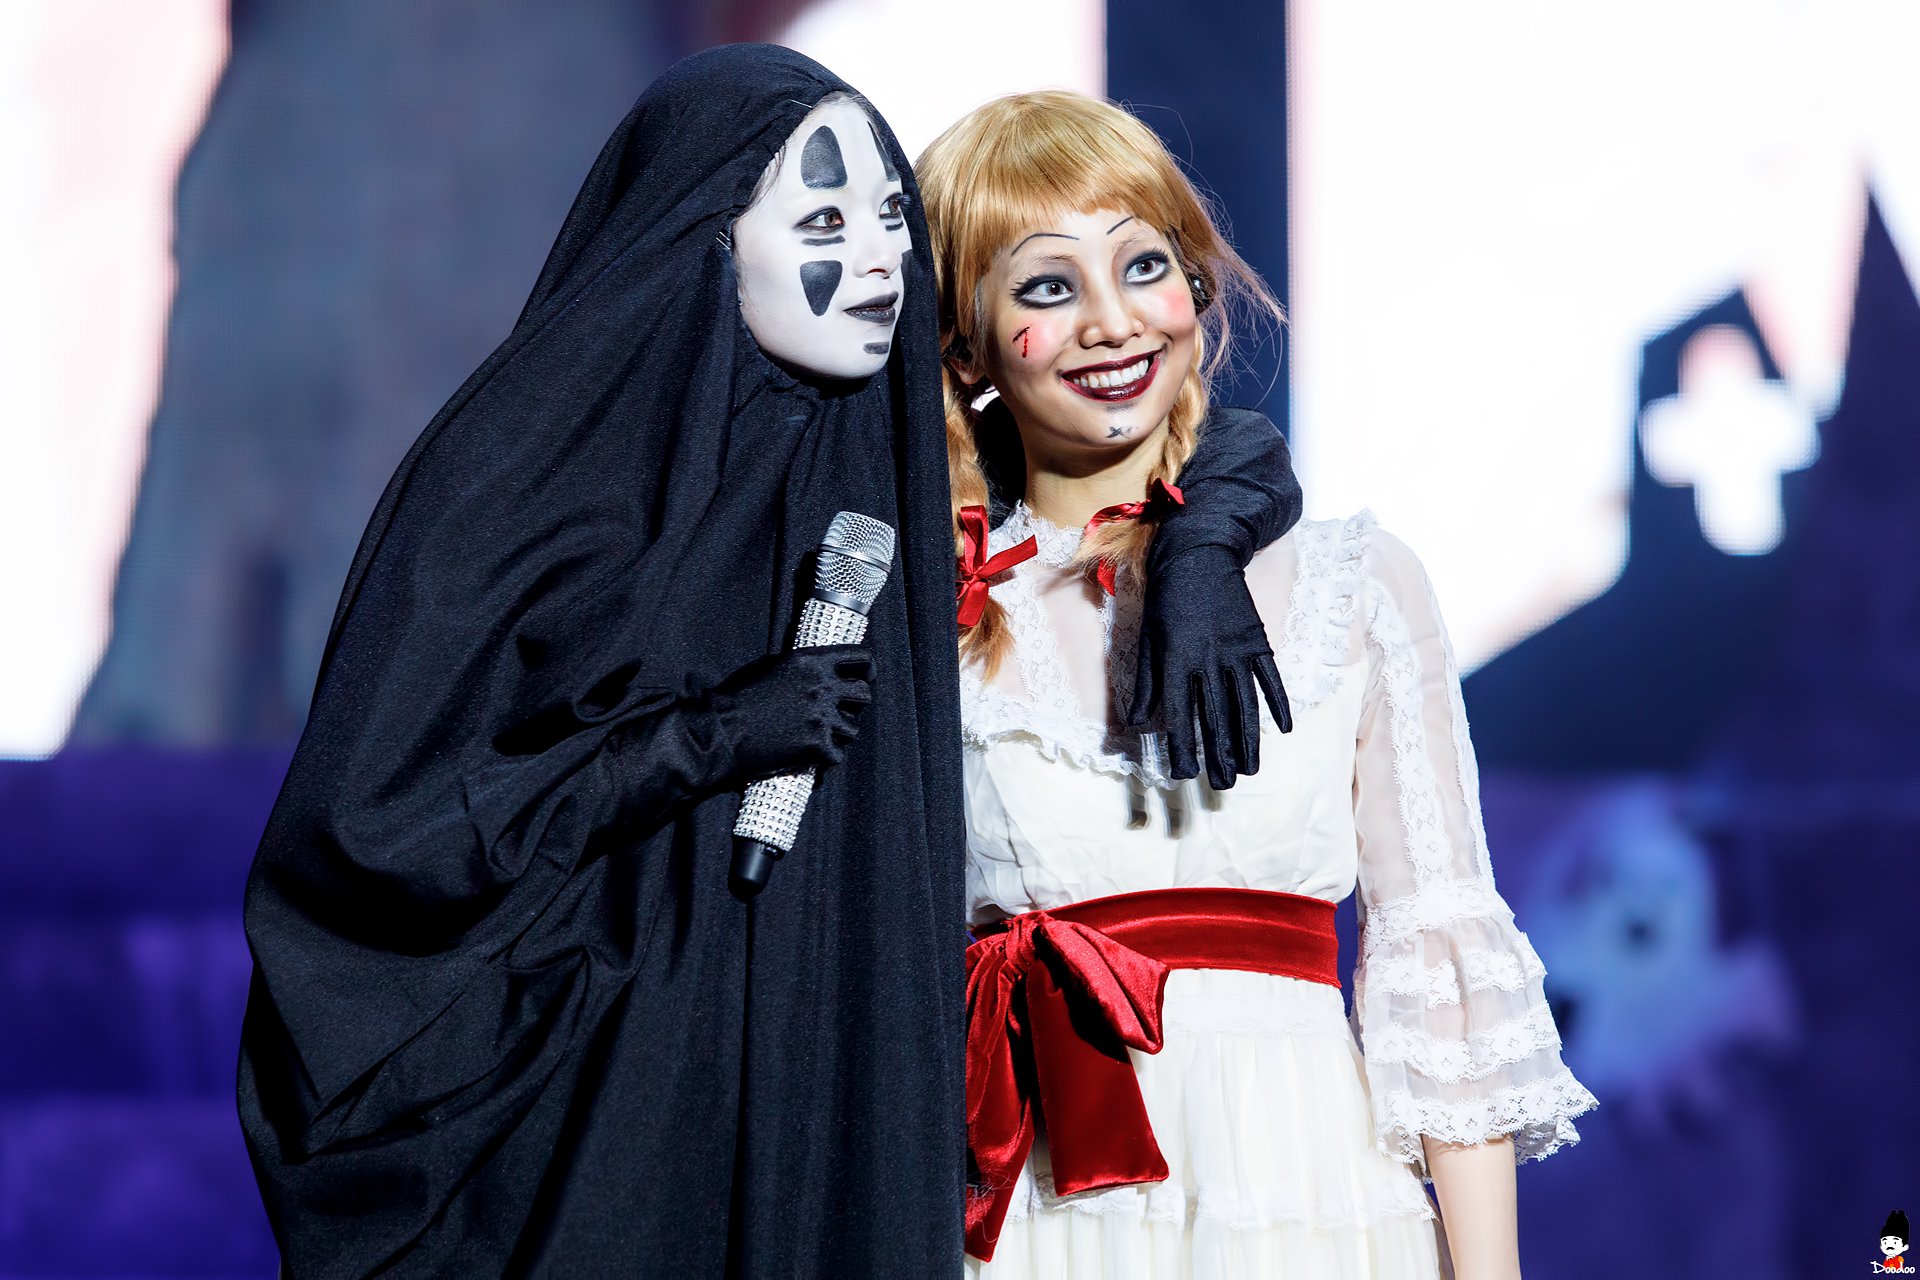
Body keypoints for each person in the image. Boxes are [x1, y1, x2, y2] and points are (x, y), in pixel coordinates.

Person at [238, 47, 1301, 1277]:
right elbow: (376, 832)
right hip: (588, 1125)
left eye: (893, 220)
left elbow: (1119, 424)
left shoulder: (877, 463)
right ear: (702, 236)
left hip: (817, 1095)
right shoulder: (517, 483)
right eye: (825, 221)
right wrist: (696, 740)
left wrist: (1207, 538)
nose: (877, 260)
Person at [918, 90, 1598, 1278]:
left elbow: (1437, 961)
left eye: (1143, 265)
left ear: (1195, 287)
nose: (1111, 320)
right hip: (1036, 1215)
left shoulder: (1355, 584)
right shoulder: (934, 611)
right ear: (965, 346)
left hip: (1314, 1199)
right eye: (1047, 286)